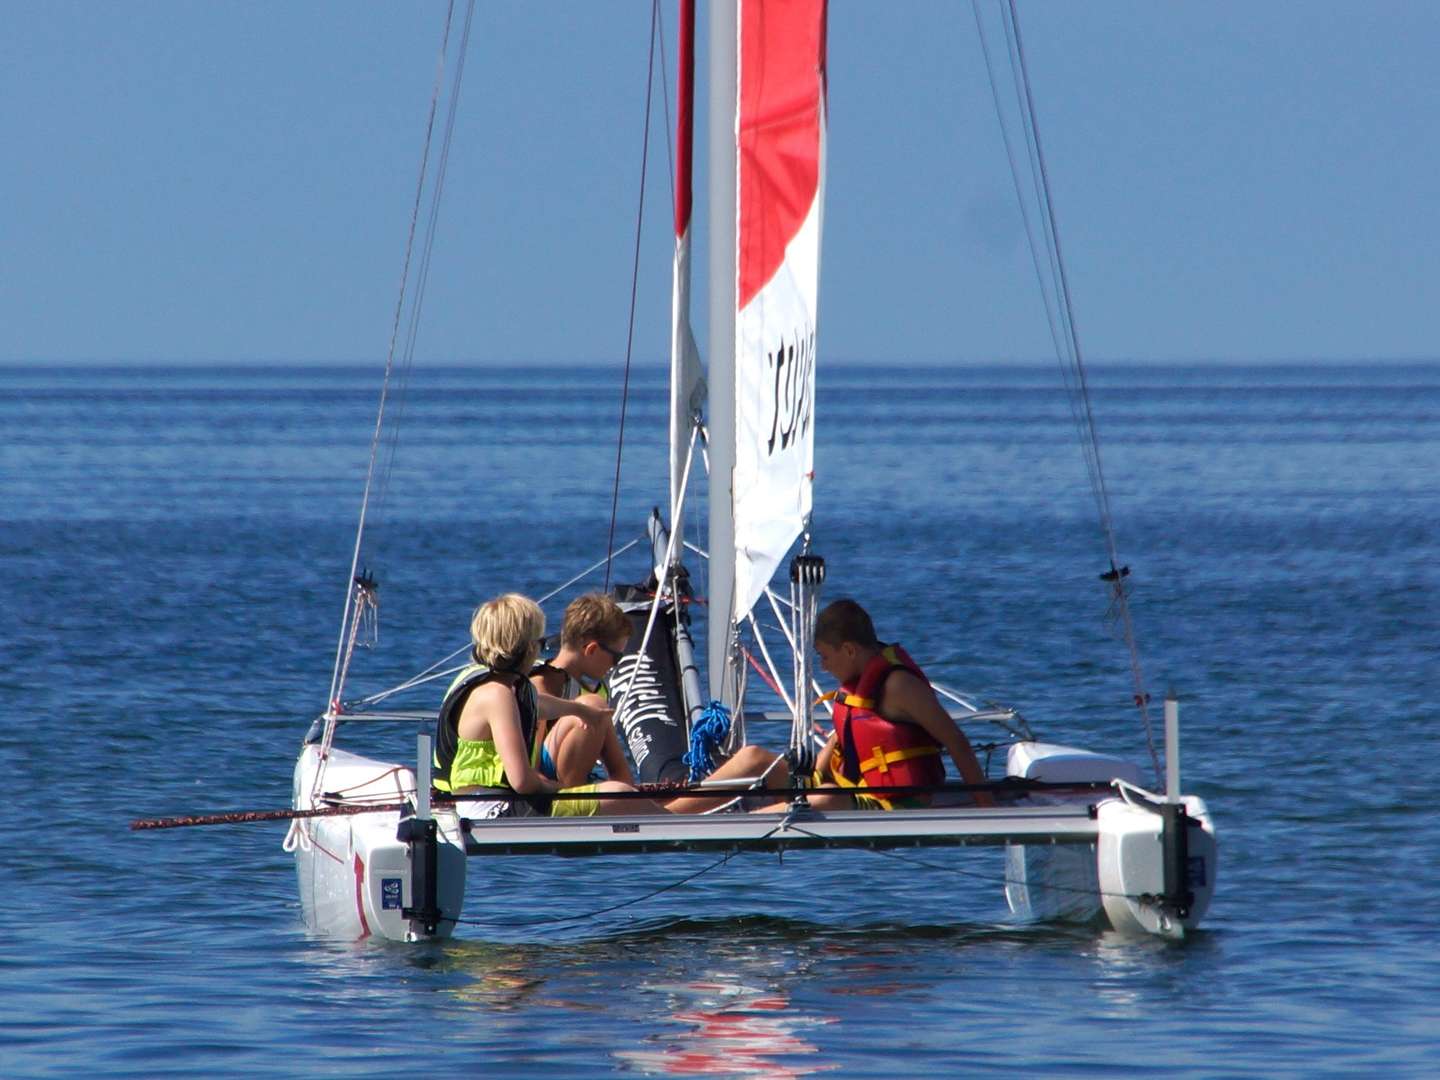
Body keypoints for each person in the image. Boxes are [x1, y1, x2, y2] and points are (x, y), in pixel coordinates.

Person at [433, 593, 660, 817]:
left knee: (617, 794)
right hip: (490, 809)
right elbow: (522, 781)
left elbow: (536, 705)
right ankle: (675, 823)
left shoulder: (479, 680)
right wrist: (561, 790)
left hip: (481, 803)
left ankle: (667, 817)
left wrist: (579, 710)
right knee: (617, 792)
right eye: (540, 644)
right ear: (527, 648)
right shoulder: (498, 695)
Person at [803, 598, 992, 810]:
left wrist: (987, 808)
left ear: (849, 650)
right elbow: (844, 738)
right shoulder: (856, 687)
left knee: (826, 799)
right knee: (757, 758)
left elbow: (956, 742)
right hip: (852, 787)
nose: (823, 667)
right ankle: (766, 816)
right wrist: (808, 781)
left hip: (894, 802)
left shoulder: (899, 686)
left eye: (825, 657)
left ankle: (760, 822)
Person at [528, 592, 636, 788]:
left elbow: (619, 769)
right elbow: (531, 768)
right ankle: (576, 803)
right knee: (592, 704)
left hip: (570, 779)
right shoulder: (539, 685)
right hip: (546, 789)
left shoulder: (596, 691)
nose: (614, 666)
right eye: (616, 658)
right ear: (591, 649)